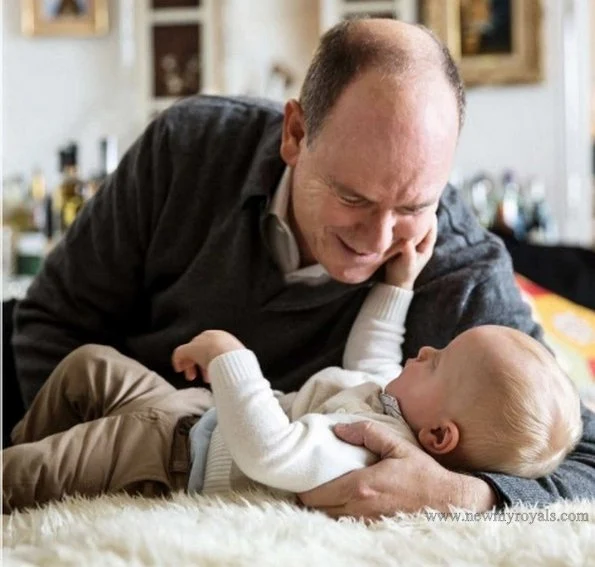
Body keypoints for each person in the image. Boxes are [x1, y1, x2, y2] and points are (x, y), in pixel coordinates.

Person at [10, 18, 595, 518]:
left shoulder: (456, 264)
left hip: (180, 462)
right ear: (295, 133)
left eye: (415, 205)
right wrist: (77, 456)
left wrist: (463, 494)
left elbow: (578, 450)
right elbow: (52, 319)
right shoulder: (190, 145)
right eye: (354, 198)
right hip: (133, 399)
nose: (380, 238)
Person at [3, 222, 581, 512]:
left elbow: (270, 451)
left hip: (175, 454)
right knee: (88, 365)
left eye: (440, 363)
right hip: (189, 414)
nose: (427, 350)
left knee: (36, 472)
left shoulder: (367, 453)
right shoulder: (389, 401)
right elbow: (374, 354)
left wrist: (233, 358)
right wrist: (399, 285)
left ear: (438, 435)